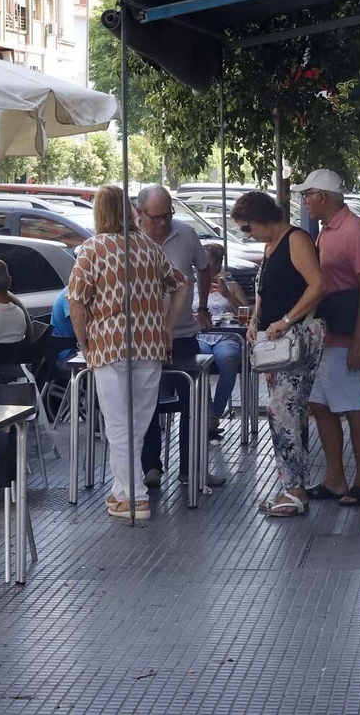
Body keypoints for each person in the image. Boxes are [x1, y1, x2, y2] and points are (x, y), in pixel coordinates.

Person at [66, 184, 188, 520]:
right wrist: (167, 325)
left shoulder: (92, 249)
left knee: (119, 424)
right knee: (136, 423)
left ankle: (135, 497)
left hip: (109, 345)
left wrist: (84, 344)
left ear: (99, 212)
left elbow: (76, 303)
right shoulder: (149, 246)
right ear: (131, 210)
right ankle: (121, 492)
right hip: (149, 345)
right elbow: (181, 284)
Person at [231, 190, 326, 517]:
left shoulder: (295, 240)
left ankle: (294, 488)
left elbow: (317, 285)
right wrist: (256, 321)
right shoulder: (270, 246)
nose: (247, 234)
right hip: (275, 339)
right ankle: (293, 485)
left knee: (280, 409)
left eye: (246, 228)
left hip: (295, 337)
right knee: (288, 410)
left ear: (261, 219)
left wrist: (286, 320)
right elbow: (265, 292)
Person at [292, 169, 360, 508]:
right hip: (325, 335)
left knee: (353, 406)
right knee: (320, 405)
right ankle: (334, 478)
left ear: (323, 197)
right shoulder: (326, 231)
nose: (304, 202)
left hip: (345, 335)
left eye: (307, 195)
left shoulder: (352, 231)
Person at [134, 184, 220, 490]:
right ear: (139, 213)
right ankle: (151, 466)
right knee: (147, 400)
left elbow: (204, 268)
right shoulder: (130, 241)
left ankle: (190, 468)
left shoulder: (185, 234)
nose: (162, 223)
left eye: (167, 215)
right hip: (143, 337)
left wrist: (204, 306)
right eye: (155, 217)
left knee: (192, 402)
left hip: (183, 332)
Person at [199, 242, 248, 439]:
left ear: (219, 263)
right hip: (200, 335)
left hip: (227, 335)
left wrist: (227, 294)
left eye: (208, 264)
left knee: (229, 359)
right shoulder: (192, 285)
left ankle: (215, 412)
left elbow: (246, 313)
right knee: (197, 361)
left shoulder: (231, 286)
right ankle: (209, 414)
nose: (203, 268)